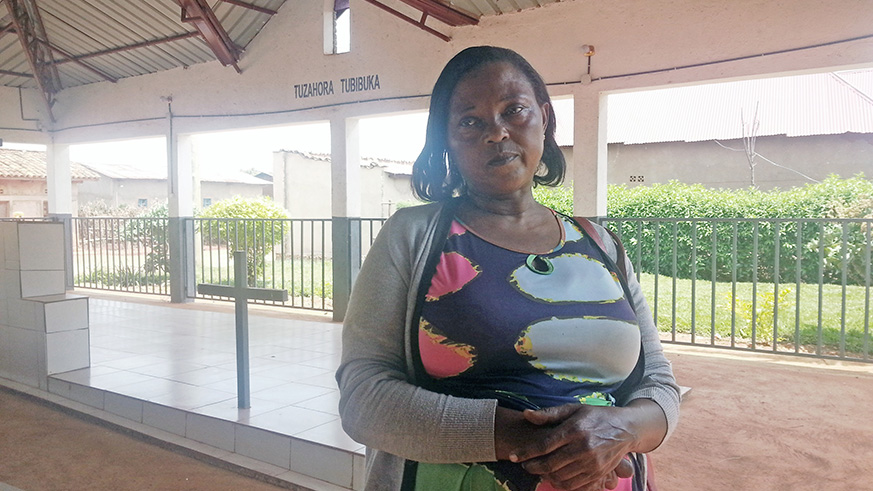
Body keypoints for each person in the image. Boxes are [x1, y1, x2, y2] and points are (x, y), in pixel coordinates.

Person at [336, 46, 680, 491]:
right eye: (470, 121)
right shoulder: (414, 237)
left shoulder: (601, 245)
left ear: (544, 118)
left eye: (513, 110)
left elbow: (658, 383)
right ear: (447, 141)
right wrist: (528, 439)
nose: (496, 133)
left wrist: (624, 429)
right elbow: (364, 398)